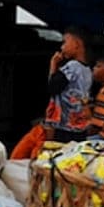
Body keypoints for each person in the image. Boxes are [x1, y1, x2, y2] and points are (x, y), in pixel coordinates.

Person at [10, 27, 92, 159]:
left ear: (76, 44)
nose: (62, 47)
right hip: (79, 125)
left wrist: (53, 64)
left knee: (58, 158)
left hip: (65, 127)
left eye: (65, 42)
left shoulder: (71, 67)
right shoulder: (87, 70)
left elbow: (53, 87)